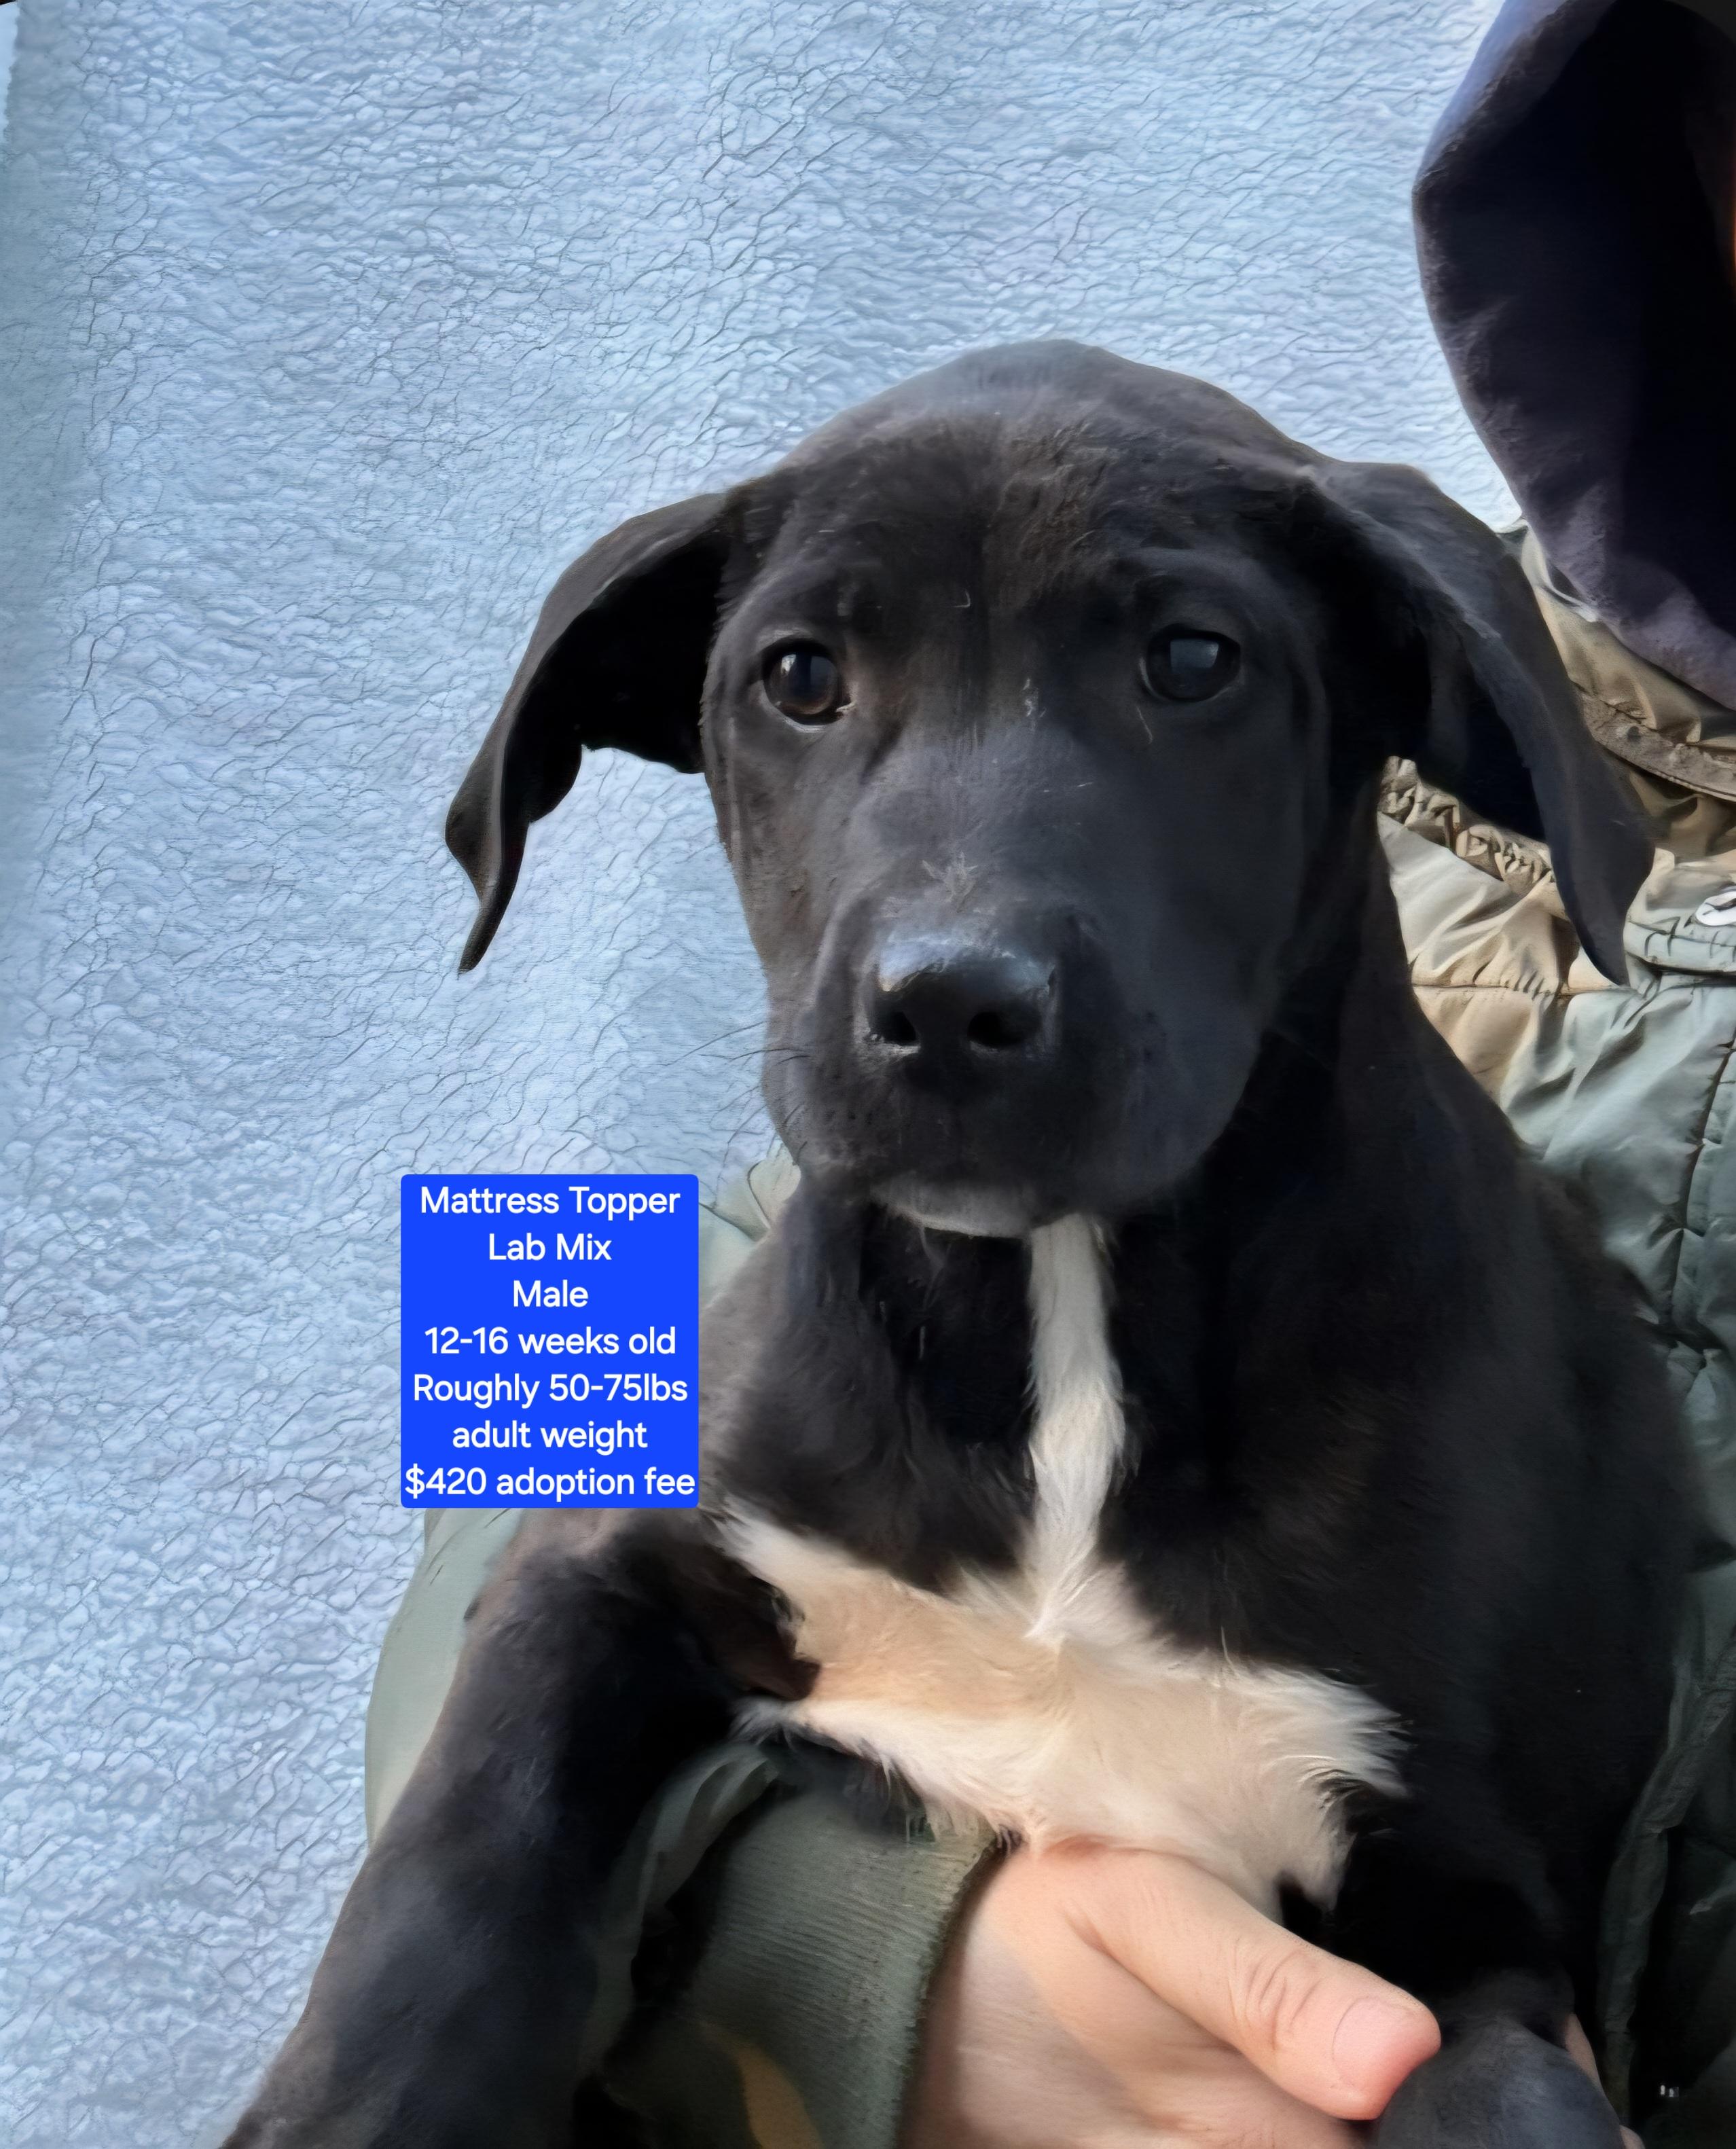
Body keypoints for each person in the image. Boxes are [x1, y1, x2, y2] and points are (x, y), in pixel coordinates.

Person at [366, 0, 1736, 2140]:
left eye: (1180, 675)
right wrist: (887, 1975)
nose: (958, 905)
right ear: (1667, 155)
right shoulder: (1385, 639)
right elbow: (479, 1533)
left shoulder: (1348, 636)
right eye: (809, 680)